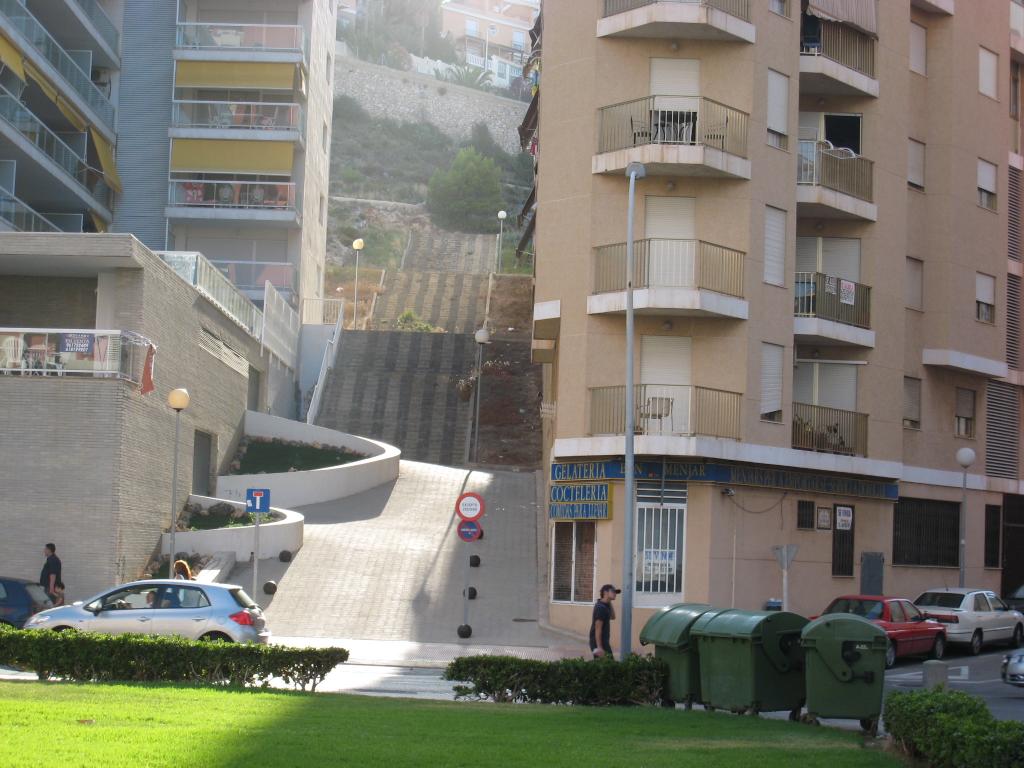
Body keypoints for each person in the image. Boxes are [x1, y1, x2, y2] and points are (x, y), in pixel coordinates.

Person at [589, 584, 620, 659]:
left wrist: (609, 601)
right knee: (608, 664)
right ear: (605, 592)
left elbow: (613, 617)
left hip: (603, 641)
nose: (615, 594)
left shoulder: (606, 605)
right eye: (613, 592)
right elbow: (598, 628)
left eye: (616, 592)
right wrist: (599, 647)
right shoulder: (601, 608)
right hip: (599, 642)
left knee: (604, 664)